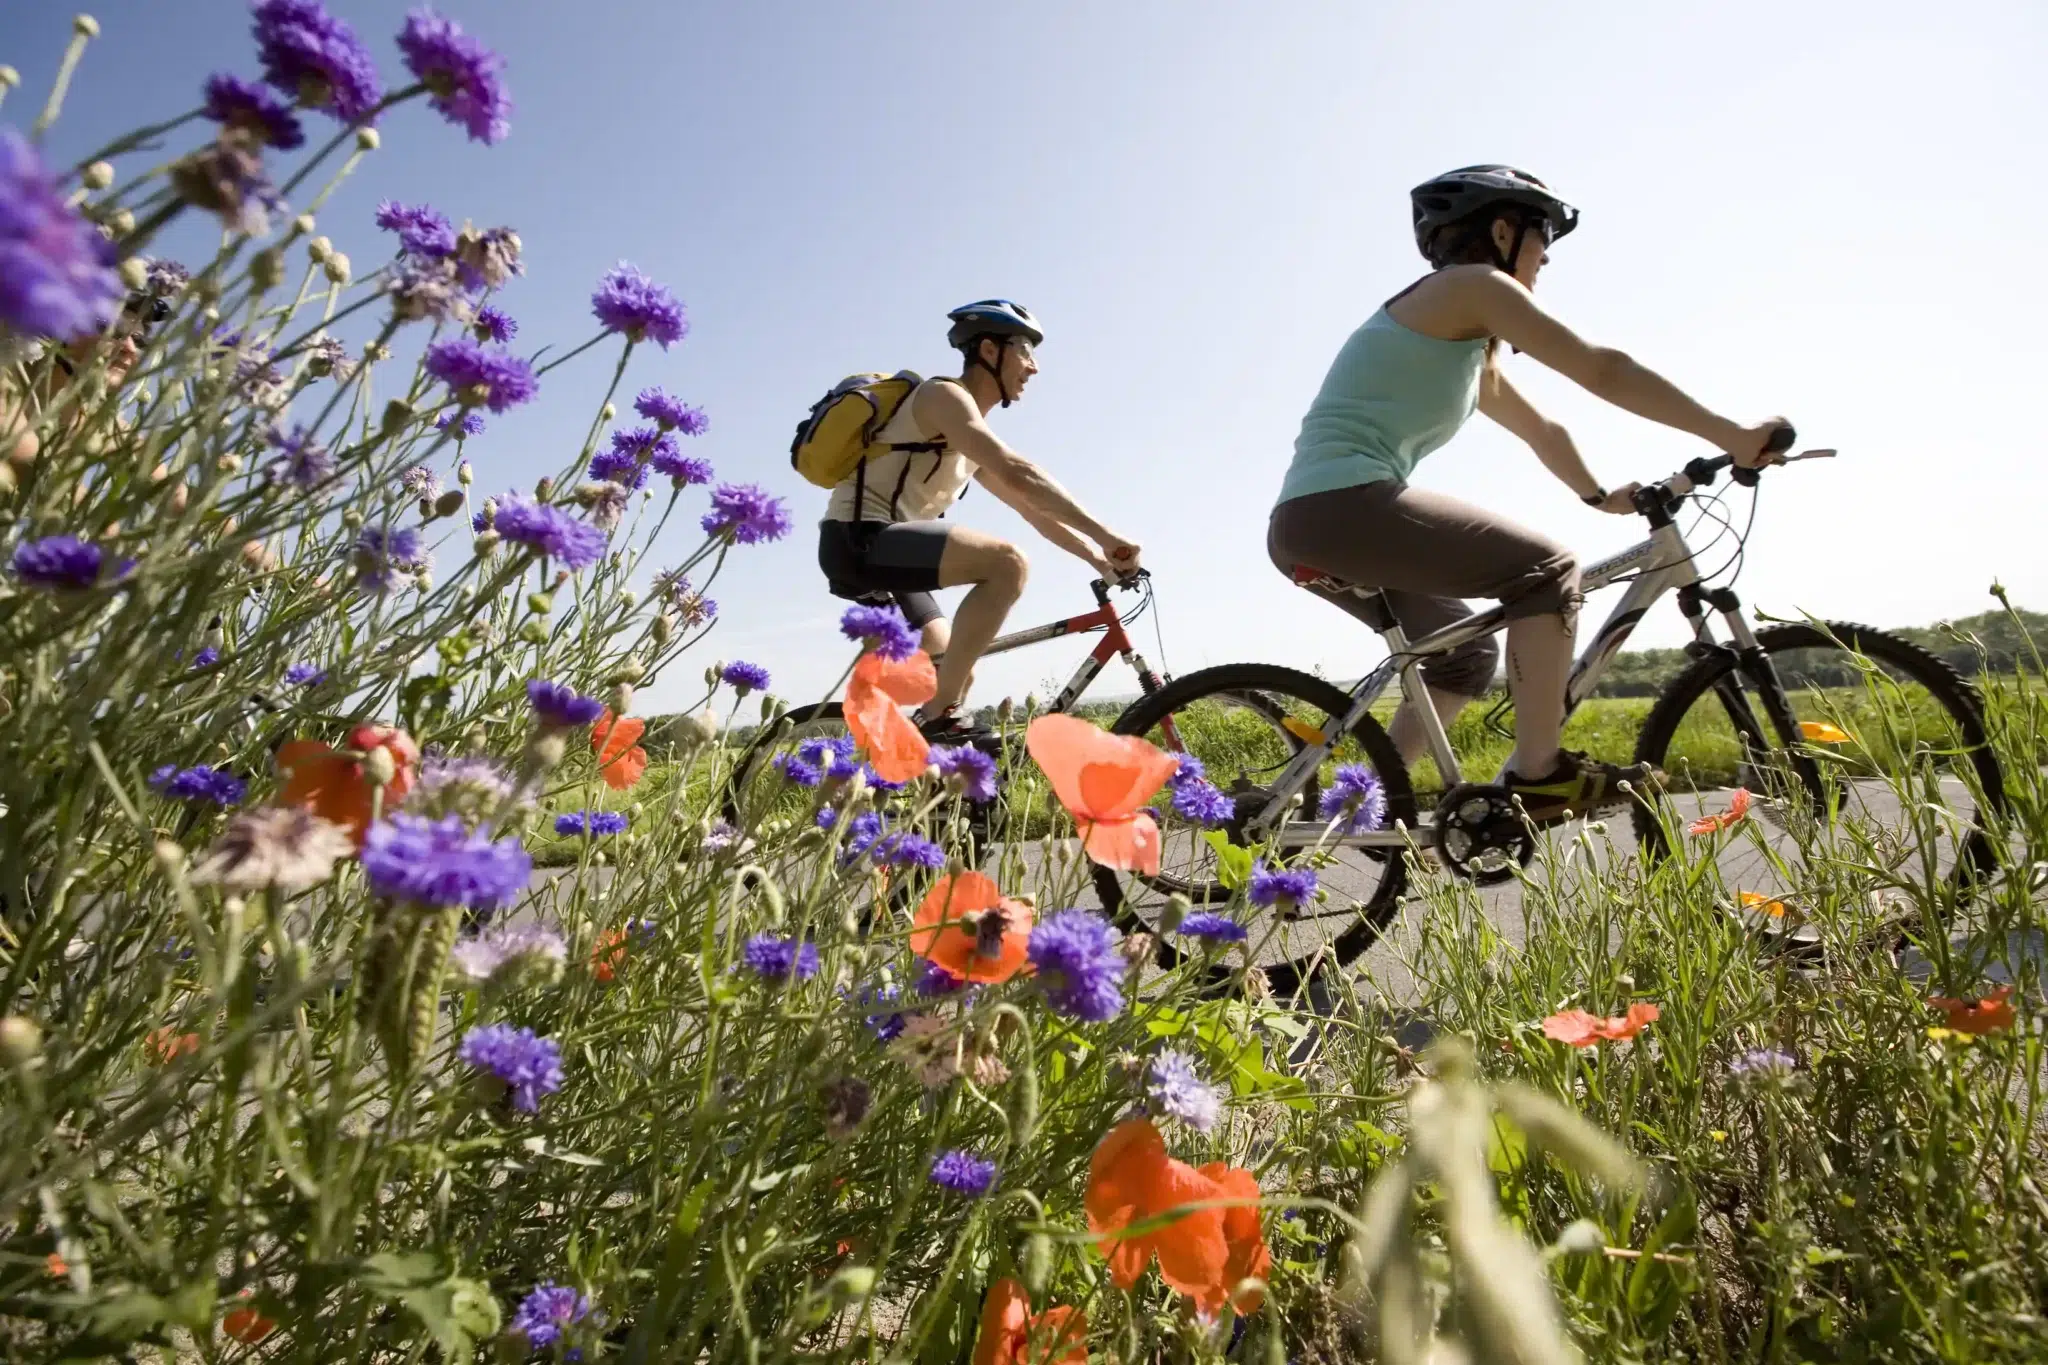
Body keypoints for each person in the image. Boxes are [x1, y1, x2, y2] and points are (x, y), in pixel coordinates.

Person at [1267, 165, 1789, 821]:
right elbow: (1601, 367)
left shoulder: (1462, 341)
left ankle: (1370, 811)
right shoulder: (1472, 287)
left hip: (1319, 520)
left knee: (1465, 658)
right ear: (1503, 230)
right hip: (1341, 509)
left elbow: (1542, 428)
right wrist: (1733, 432)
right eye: (1543, 240)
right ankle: (1539, 773)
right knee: (1545, 570)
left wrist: (1600, 495)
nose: (1545, 260)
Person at [817, 300, 1142, 741]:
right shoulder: (942, 397)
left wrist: (1098, 560)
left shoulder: (968, 437)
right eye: (1025, 350)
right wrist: (1107, 535)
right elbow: (1017, 472)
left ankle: (926, 778)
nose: (1034, 367)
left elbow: (1033, 509)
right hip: (858, 539)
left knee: (955, 669)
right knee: (1008, 564)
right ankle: (936, 716)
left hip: (891, 554)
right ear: (989, 351)